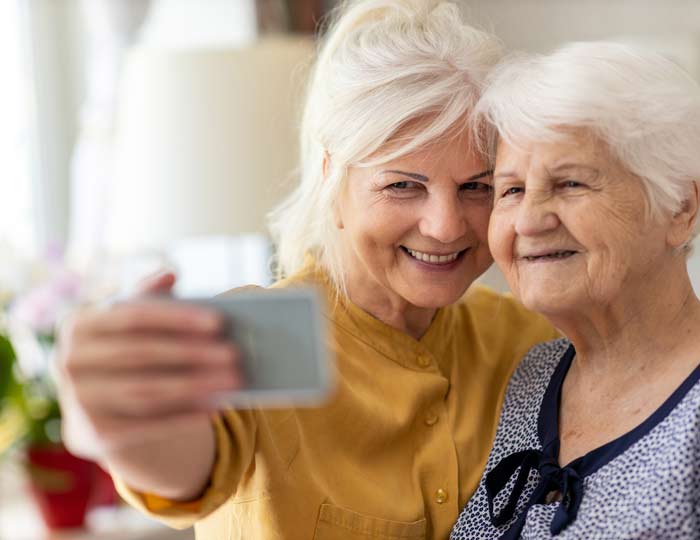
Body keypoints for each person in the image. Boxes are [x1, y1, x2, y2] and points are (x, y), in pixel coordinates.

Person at [56, 1, 557, 539]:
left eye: (476, 187)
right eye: (402, 184)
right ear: (330, 179)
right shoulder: (257, 334)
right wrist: (128, 431)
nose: (445, 225)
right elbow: (183, 466)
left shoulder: (532, 336)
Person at [451, 41, 700, 539]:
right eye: (512, 189)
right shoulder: (534, 376)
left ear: (679, 209)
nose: (530, 220)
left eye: (571, 184)